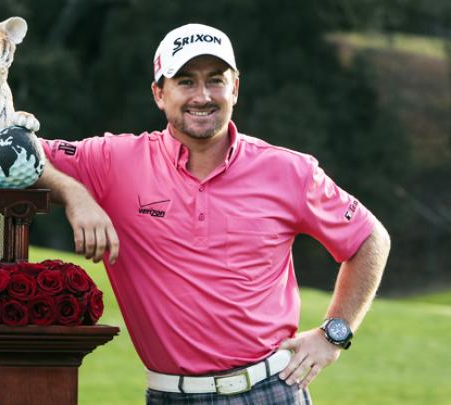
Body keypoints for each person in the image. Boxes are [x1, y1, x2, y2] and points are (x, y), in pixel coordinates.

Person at [35, 23, 390, 404]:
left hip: (270, 391)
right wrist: (76, 194)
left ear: (234, 88)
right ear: (159, 93)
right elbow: (10, 148)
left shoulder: (289, 171)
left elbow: (370, 239)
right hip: (169, 396)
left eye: (215, 80)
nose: (202, 96)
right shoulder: (113, 162)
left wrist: (333, 335)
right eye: (185, 81)